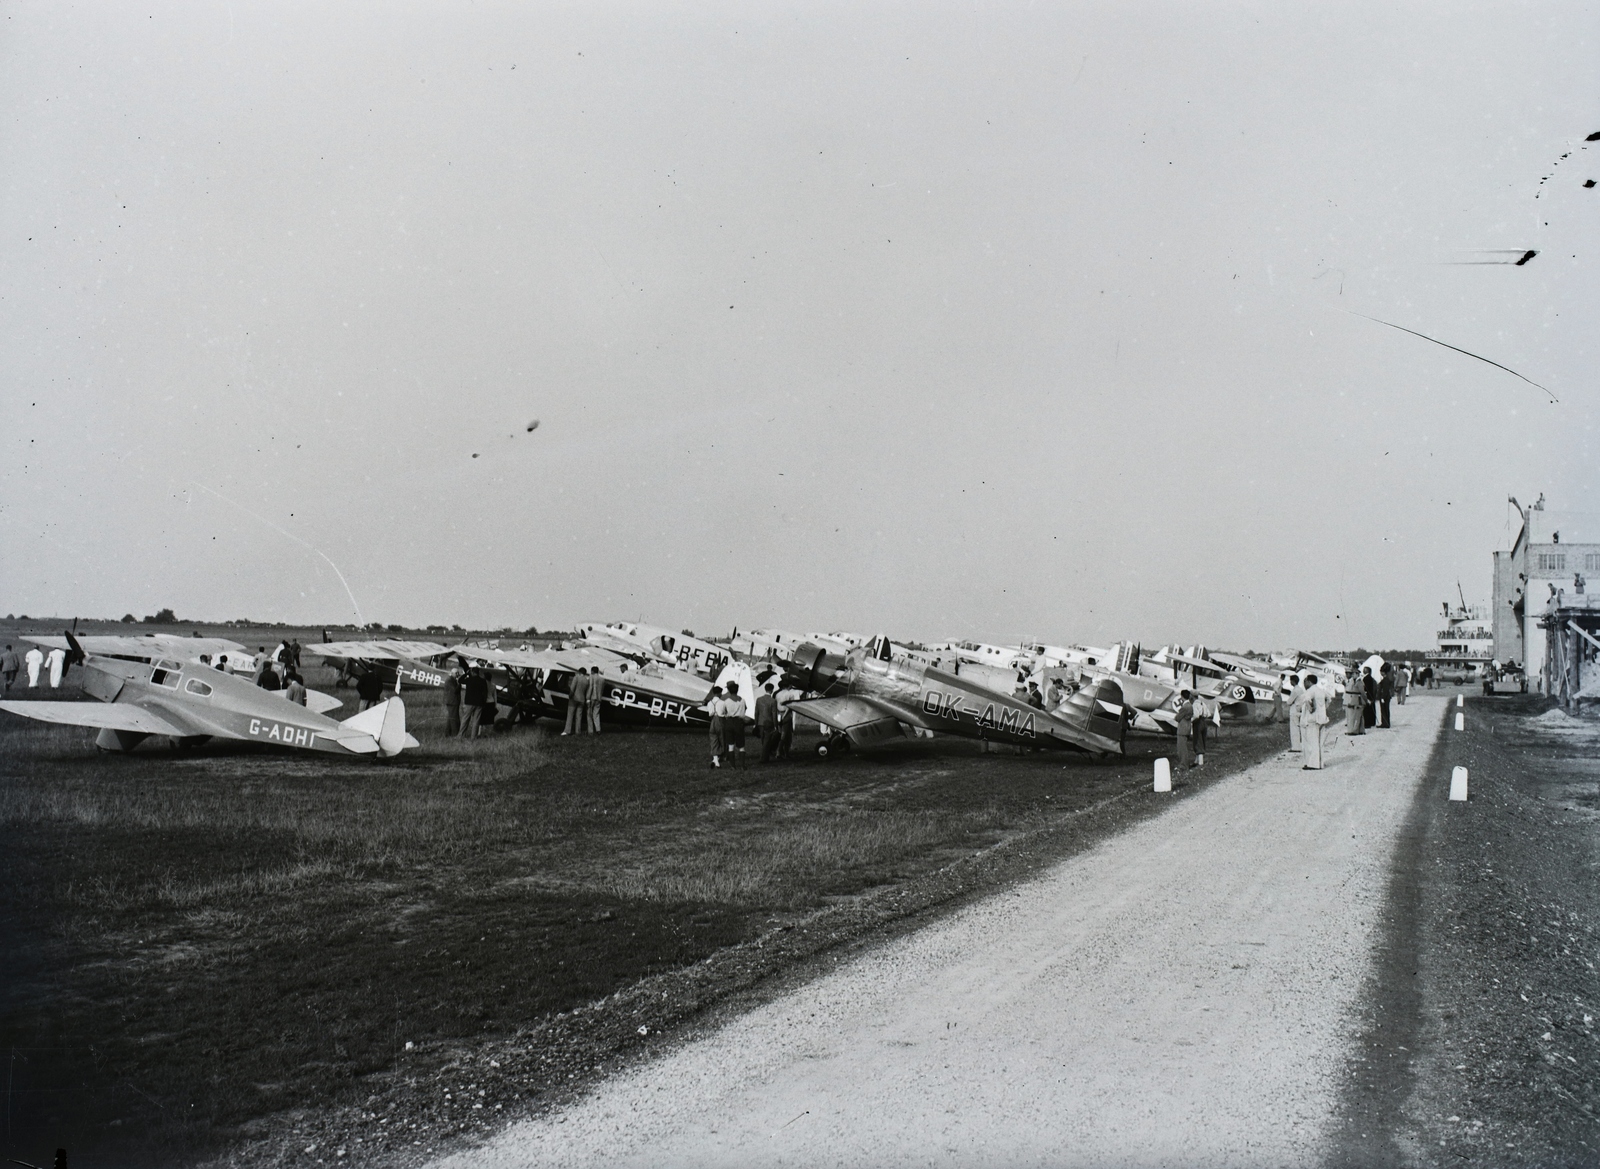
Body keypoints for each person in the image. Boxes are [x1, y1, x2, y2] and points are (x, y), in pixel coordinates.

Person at [1299, 673, 1328, 769]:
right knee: (1320, 743)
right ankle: (1320, 763)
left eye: (1305, 681)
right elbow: (1329, 699)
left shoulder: (1310, 691)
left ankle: (1313, 764)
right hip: (1322, 718)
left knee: (1312, 743)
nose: (1304, 683)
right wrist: (1323, 709)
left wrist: (1311, 709)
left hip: (1312, 719)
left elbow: (1308, 700)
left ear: (1309, 682)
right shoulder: (1321, 690)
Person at [722, 680, 748, 766]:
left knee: (730, 745)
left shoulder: (726, 701)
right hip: (739, 722)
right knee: (741, 746)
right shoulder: (742, 700)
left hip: (729, 722)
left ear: (729, 690)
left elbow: (724, 712)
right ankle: (743, 764)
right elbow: (745, 709)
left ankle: (733, 765)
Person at [775, 685, 802, 759]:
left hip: (779, 714)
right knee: (786, 735)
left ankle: (782, 752)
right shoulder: (790, 694)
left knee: (781, 733)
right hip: (786, 715)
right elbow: (790, 706)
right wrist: (785, 715)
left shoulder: (777, 694)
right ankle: (780, 752)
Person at [460, 668, 489, 738]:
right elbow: (485, 693)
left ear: (472, 672)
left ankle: (461, 735)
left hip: (469, 702)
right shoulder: (483, 681)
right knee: (476, 720)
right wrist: (484, 702)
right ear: (478, 672)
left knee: (465, 719)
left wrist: (466, 674)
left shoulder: (469, 680)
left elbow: (460, 680)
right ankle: (473, 737)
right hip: (479, 703)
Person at [755, 682, 780, 762]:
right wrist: (776, 725)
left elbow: (756, 713)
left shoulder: (759, 700)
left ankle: (765, 756)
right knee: (767, 740)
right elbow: (774, 714)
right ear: (772, 690)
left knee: (763, 740)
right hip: (769, 722)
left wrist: (756, 723)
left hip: (760, 722)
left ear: (765, 689)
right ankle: (764, 758)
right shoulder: (773, 701)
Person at [704, 684, 725, 767]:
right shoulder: (722, 702)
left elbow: (710, 714)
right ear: (719, 693)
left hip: (713, 720)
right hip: (720, 720)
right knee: (722, 739)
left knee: (713, 739)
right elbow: (725, 713)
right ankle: (721, 756)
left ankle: (715, 759)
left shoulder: (710, 703)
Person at [563, 668, 590, 735]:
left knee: (570, 715)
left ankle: (567, 731)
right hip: (582, 700)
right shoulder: (586, 681)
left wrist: (570, 695)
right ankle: (578, 732)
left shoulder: (576, 678)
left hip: (574, 699)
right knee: (579, 716)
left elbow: (572, 688)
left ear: (579, 672)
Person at [1174, 689, 1195, 770]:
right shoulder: (1190, 705)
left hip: (1182, 729)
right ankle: (1185, 764)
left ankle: (1183, 765)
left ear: (1182, 696)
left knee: (1181, 749)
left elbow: (1177, 717)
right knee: (1184, 748)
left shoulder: (1184, 707)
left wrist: (1176, 717)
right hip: (1187, 728)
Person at [1284, 673, 1304, 752]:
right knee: (1298, 728)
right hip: (1299, 709)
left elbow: (1289, 702)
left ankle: (1296, 747)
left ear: (1293, 681)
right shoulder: (1300, 689)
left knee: (1294, 729)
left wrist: (1288, 701)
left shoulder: (1295, 690)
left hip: (1294, 710)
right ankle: (1299, 745)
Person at [1343, 669, 1365, 735]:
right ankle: (1360, 730)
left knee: (1355, 716)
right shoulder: (1355, 681)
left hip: (1357, 700)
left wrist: (1366, 700)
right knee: (1358, 716)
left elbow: (1362, 693)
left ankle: (1354, 731)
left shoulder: (1359, 682)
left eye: (1353, 674)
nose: (1352, 675)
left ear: (1357, 674)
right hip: (1355, 700)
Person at [1191, 694, 1210, 765]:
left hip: (1198, 723)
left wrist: (1191, 720)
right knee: (1202, 740)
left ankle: (1200, 762)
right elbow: (1208, 714)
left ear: (1192, 696)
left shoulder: (1195, 704)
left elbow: (1196, 715)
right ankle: (1196, 760)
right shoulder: (1203, 703)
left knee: (1198, 741)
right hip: (1204, 722)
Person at [442, 669, 462, 736]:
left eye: (458, 673)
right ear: (452, 673)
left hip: (453, 701)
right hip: (452, 701)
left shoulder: (452, 680)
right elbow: (455, 690)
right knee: (454, 718)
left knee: (451, 717)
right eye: (456, 673)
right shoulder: (449, 680)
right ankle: (455, 733)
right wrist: (459, 683)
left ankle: (447, 733)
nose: (457, 674)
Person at [586, 666, 605, 734]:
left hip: (592, 697)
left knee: (589, 714)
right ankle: (598, 729)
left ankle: (590, 731)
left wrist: (588, 698)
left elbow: (590, 687)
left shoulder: (591, 677)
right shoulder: (602, 679)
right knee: (596, 714)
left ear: (592, 671)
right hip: (599, 698)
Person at [1376, 663, 1394, 729]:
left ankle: (1385, 723)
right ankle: (1385, 723)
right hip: (1386, 697)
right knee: (1385, 710)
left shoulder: (1385, 680)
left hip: (1384, 697)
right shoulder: (1386, 679)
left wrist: (1383, 697)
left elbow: (1385, 690)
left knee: (1384, 710)